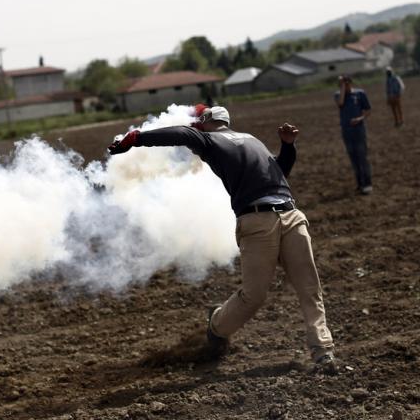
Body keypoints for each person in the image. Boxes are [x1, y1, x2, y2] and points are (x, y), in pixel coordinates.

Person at [107, 106, 335, 368]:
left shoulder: (210, 139)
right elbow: (279, 171)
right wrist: (288, 147)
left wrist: (135, 138)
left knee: (300, 288)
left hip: (274, 217)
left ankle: (322, 349)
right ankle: (217, 325)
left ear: (205, 123)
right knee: (270, 294)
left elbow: (182, 133)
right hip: (278, 217)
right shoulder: (252, 139)